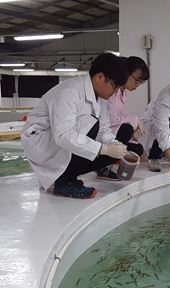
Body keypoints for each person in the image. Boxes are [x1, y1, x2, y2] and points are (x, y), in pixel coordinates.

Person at [21, 52, 130, 199]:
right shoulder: (70, 92)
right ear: (100, 78)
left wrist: (113, 144)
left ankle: (69, 177)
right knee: (90, 126)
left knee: (109, 152)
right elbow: (63, 135)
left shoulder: (101, 98)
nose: (115, 92)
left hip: (58, 141)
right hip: (40, 140)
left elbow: (104, 129)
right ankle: (63, 182)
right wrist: (103, 148)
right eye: (114, 86)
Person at [96, 56, 150, 180]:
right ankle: (105, 167)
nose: (137, 85)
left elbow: (117, 119)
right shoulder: (110, 91)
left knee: (137, 149)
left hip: (110, 132)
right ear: (126, 72)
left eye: (141, 82)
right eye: (136, 80)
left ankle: (112, 164)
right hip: (102, 135)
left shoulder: (123, 91)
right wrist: (135, 121)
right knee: (126, 129)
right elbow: (112, 120)